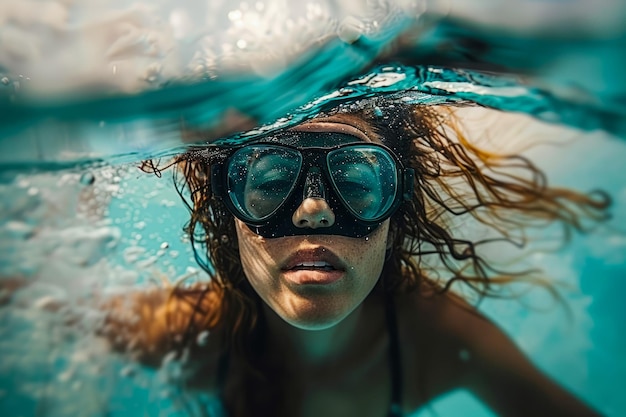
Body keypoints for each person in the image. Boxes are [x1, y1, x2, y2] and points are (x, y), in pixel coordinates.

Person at [102, 98, 608, 417]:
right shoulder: (185, 331)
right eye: (272, 183)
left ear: (395, 216)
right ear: (228, 213)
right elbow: (40, 315)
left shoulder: (436, 340)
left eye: (356, 185)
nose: (315, 211)